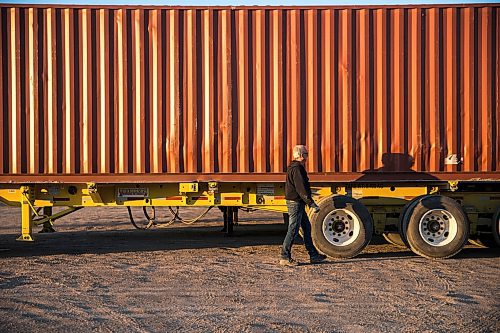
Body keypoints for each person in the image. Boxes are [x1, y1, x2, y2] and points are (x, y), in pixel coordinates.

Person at [280, 145, 327, 266]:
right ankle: (285, 256)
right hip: (296, 203)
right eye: (306, 154)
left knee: (306, 227)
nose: (307, 157)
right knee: (293, 229)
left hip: (297, 202)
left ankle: (313, 255)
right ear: (301, 155)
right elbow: (301, 189)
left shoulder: (294, 167)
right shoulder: (297, 169)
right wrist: (311, 203)